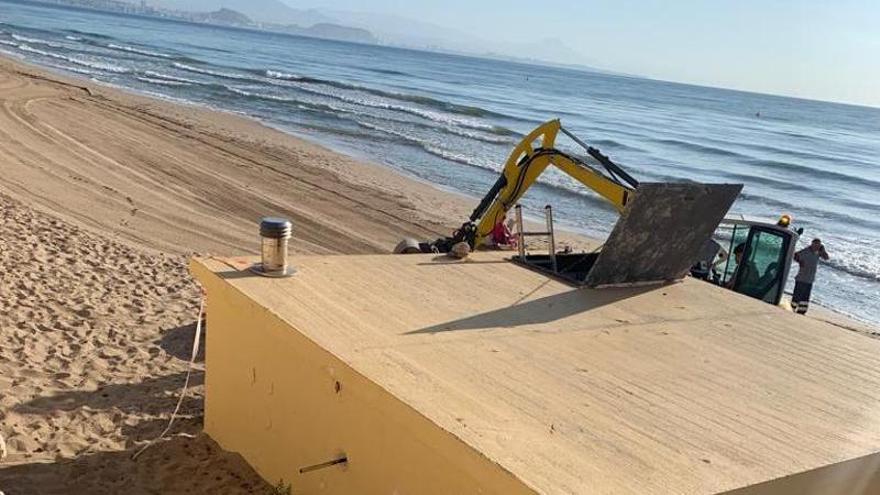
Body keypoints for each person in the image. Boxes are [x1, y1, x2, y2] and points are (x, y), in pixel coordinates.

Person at [791, 238, 829, 314]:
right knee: (797, 295)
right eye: (815, 244)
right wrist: (800, 262)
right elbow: (795, 255)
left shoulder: (818, 253)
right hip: (801, 278)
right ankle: (791, 309)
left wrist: (823, 250)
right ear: (812, 244)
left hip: (810, 279)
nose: (817, 246)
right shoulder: (806, 251)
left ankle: (801, 311)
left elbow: (826, 258)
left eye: (818, 245)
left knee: (805, 297)